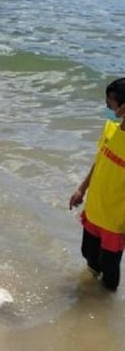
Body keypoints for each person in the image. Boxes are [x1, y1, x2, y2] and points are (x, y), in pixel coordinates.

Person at [69, 78, 125, 292]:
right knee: (88, 254)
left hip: (115, 219)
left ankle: (104, 307)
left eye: (110, 103)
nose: (107, 107)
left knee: (110, 268)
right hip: (95, 207)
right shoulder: (111, 127)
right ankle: (89, 293)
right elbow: (99, 161)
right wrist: (81, 189)